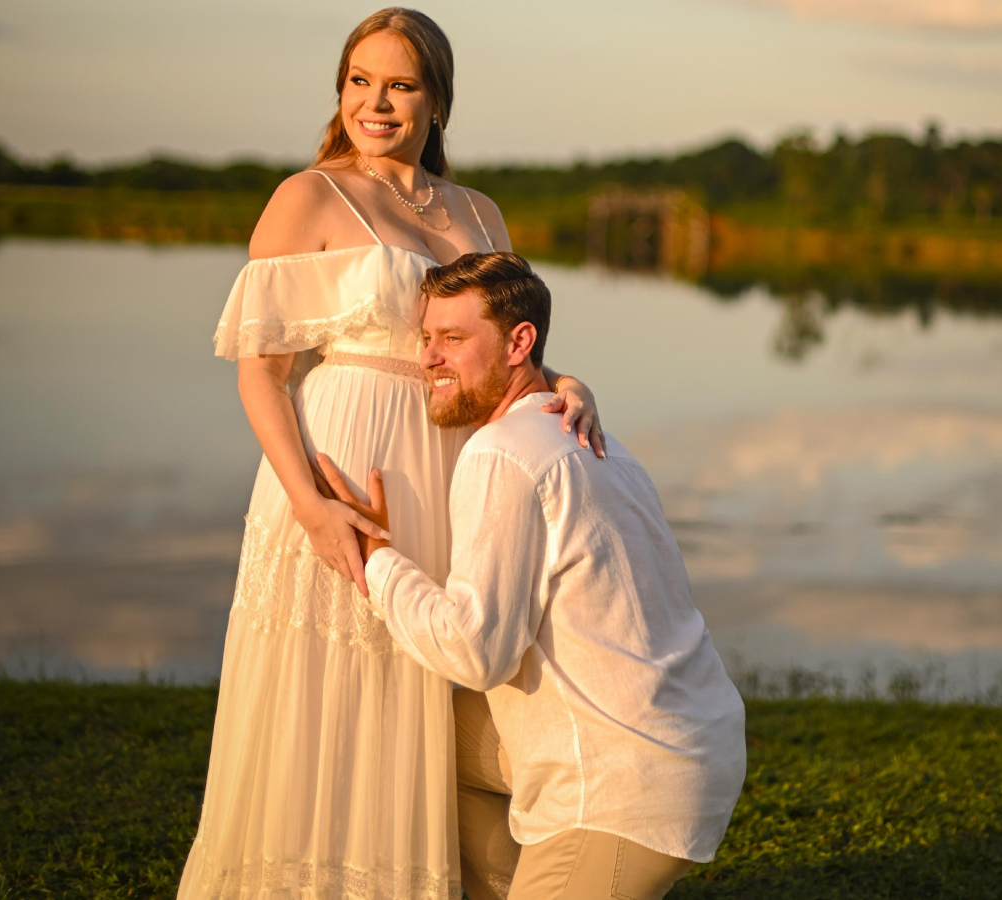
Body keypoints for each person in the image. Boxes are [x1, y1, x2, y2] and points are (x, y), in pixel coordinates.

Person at [176, 10, 603, 900]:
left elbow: (496, 349)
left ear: (437, 100)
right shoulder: (309, 196)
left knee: (427, 685)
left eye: (402, 84)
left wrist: (567, 382)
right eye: (360, 80)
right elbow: (262, 373)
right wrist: (308, 503)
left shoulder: (479, 211)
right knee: (324, 700)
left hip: (451, 476)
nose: (377, 102)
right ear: (340, 90)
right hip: (338, 468)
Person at [318, 252, 747, 900]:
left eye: (454, 340)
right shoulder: (597, 441)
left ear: (521, 342)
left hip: (623, 788)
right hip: (691, 743)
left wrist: (375, 557)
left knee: (429, 717)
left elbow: (475, 650)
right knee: (423, 735)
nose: (429, 359)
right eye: (427, 339)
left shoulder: (502, 452)